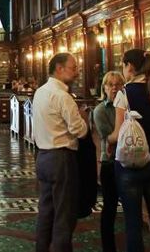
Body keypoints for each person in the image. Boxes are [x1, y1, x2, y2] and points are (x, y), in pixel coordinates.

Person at [107, 49, 150, 252]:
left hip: (131, 163)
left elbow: (117, 135)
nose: (123, 70)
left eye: (123, 65)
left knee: (133, 222)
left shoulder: (124, 94)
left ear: (130, 67)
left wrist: (106, 139)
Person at [33, 53, 88, 252]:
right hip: (62, 158)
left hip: (43, 157)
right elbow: (79, 131)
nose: (77, 72)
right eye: (73, 68)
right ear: (59, 68)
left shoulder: (40, 92)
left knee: (46, 211)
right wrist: (83, 119)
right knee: (64, 215)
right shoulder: (63, 97)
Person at [92, 71, 124, 252]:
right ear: (104, 88)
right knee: (110, 207)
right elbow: (109, 138)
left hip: (128, 161)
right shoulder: (100, 110)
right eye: (110, 84)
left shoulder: (127, 106)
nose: (114, 88)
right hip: (109, 163)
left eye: (118, 84)